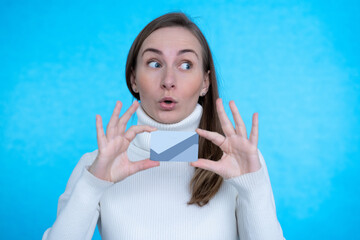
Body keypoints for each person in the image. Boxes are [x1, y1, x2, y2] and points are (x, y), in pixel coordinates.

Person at [42, 12, 284, 240]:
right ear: (134, 79)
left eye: (186, 65)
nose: (168, 81)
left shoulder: (237, 164)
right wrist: (93, 184)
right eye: (154, 63)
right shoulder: (97, 166)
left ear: (205, 82)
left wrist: (252, 187)